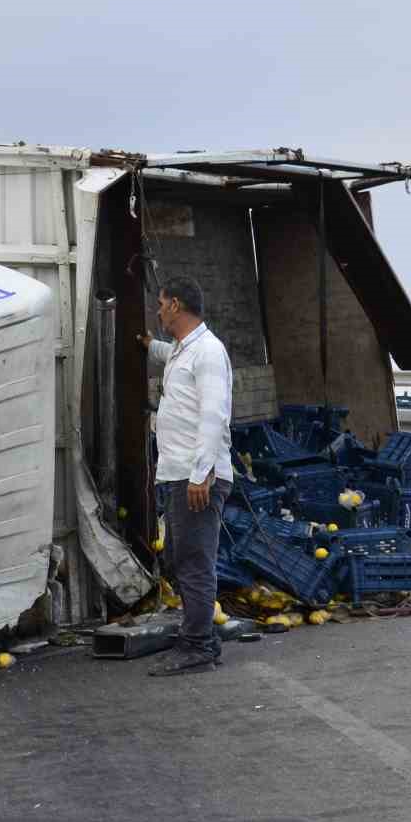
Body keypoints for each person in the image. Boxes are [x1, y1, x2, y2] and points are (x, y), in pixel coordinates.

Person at [138, 276, 233, 676]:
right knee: (178, 558)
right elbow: (169, 356)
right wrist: (149, 346)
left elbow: (214, 415)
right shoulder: (182, 350)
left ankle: (197, 645)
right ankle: (198, 636)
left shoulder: (208, 352)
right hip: (178, 475)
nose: (158, 311)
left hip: (197, 478)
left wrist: (200, 475)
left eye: (161, 304)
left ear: (176, 305)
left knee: (194, 562)